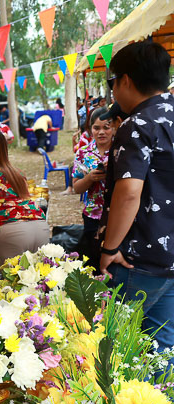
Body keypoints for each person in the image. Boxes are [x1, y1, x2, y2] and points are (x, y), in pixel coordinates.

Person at [99, 41, 174, 351]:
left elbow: (129, 192)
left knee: (119, 350)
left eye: (112, 82)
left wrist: (110, 246)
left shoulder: (137, 124)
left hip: (136, 258)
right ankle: (160, 401)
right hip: (169, 258)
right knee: (162, 350)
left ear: (125, 80)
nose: (113, 91)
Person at [0, 129, 48, 265]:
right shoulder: (16, 172)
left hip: (10, 230)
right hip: (40, 226)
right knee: (39, 282)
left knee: (10, 282)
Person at [72, 107, 114, 269]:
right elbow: (76, 188)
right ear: (90, 130)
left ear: (114, 128)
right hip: (93, 215)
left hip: (118, 214)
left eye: (106, 127)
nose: (101, 132)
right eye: (97, 128)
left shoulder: (122, 150)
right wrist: (90, 178)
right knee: (94, 261)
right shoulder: (83, 153)